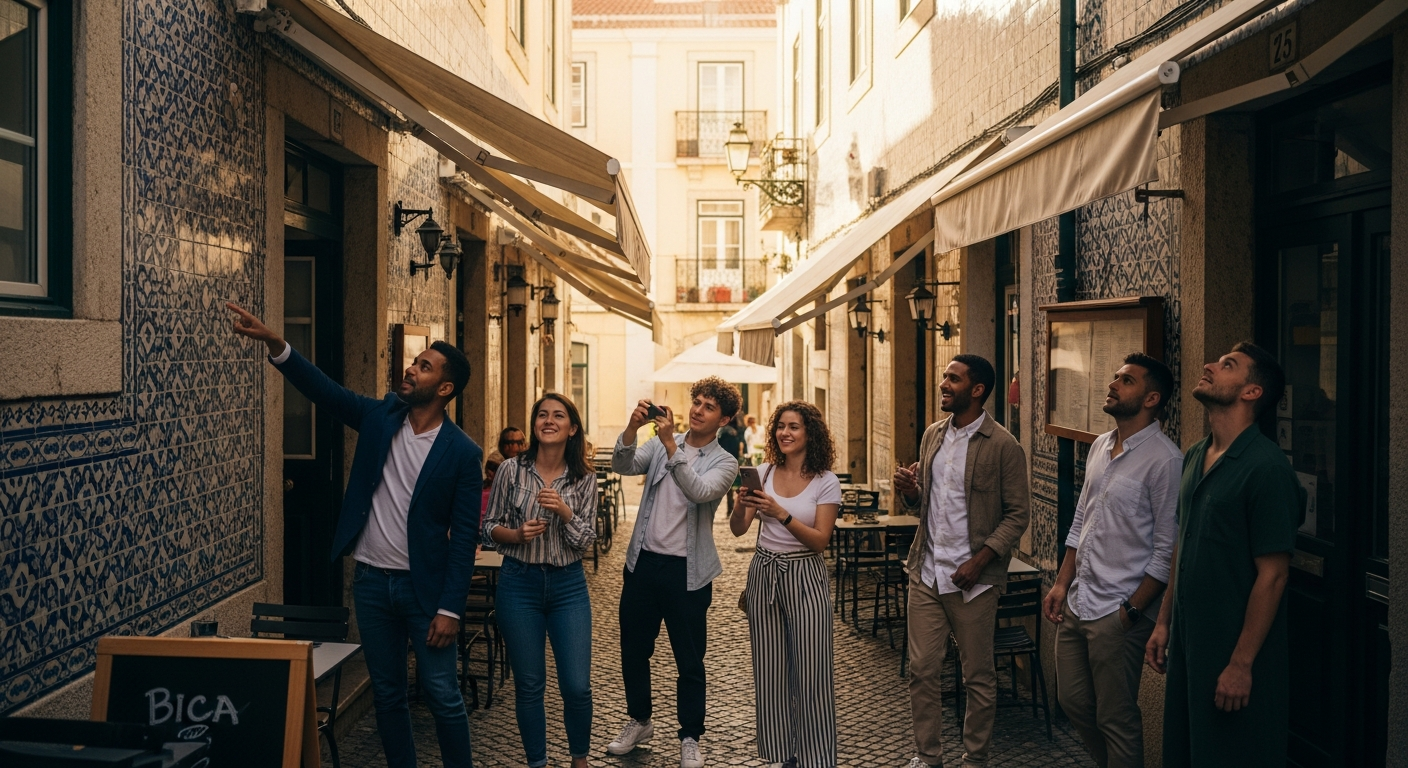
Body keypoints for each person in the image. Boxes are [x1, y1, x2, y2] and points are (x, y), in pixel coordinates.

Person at [226, 303, 480, 768]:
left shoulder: (463, 452)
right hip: (371, 583)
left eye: (424, 366)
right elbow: (326, 392)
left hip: (424, 591)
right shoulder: (381, 417)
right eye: (415, 360)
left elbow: (464, 535)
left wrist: (449, 609)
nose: (412, 368)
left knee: (443, 695)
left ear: (444, 388)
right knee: (387, 695)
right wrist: (277, 345)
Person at [1146, 343, 1300, 768]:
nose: (1209, 365)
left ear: (1251, 392)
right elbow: (1184, 540)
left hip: (1234, 654)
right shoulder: (1195, 454)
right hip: (1188, 648)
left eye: (1227, 365)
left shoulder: (1266, 468)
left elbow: (1273, 577)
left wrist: (1241, 664)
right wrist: (1163, 623)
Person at [1042, 353, 1181, 768]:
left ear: (1152, 398)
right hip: (1078, 601)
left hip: (1118, 612)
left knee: (1116, 718)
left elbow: (1165, 550)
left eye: (1127, 380)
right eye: (1116, 376)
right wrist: (1061, 584)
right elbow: (1081, 519)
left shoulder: (1166, 460)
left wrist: (1131, 611)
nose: (1113, 383)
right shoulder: (1101, 444)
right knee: (1073, 703)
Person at [893, 354, 1030, 768]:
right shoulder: (933, 435)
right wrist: (911, 492)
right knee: (921, 671)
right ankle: (927, 756)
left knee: (979, 678)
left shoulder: (1004, 446)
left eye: (953, 379)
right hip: (927, 573)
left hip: (975, 580)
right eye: (944, 377)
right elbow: (926, 508)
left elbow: (1018, 514)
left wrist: (980, 560)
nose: (943, 384)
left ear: (977, 390)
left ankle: (975, 758)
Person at [607, 377, 743, 768]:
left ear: (725, 418)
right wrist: (632, 430)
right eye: (696, 402)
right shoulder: (658, 441)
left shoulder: (725, 460)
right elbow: (622, 464)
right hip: (643, 563)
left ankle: (690, 736)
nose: (698, 410)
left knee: (689, 660)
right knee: (634, 650)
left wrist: (671, 447)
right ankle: (640, 720)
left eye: (709, 407)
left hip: (688, 572)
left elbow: (699, 492)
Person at [482, 393, 598, 768]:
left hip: (568, 586)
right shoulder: (510, 470)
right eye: (542, 415)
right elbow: (487, 529)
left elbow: (584, 542)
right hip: (519, 584)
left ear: (572, 428)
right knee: (530, 685)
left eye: (558, 416)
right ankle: (537, 763)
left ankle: (579, 760)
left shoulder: (584, 477)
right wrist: (517, 535)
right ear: (535, 424)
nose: (549, 421)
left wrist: (564, 512)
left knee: (576, 686)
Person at [729, 401, 840, 768]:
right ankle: (781, 754)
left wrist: (781, 513)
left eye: (794, 426)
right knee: (770, 671)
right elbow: (738, 529)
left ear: (810, 433)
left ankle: (816, 758)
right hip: (764, 573)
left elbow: (820, 541)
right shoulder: (762, 471)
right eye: (780, 426)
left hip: (805, 574)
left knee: (812, 671)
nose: (785, 432)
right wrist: (741, 504)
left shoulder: (826, 481)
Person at [716, 419, 744, 513]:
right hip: (733, 460)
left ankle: (729, 507)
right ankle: (732, 506)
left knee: (725, 485)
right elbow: (738, 447)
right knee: (732, 484)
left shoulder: (720, 432)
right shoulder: (735, 432)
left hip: (722, 460)